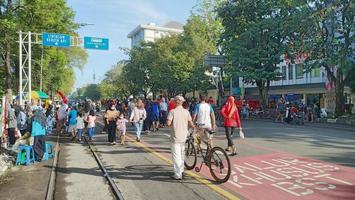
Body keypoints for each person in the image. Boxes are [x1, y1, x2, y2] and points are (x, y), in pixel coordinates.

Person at [167, 95, 194, 180]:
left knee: (176, 156)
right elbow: (191, 123)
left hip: (175, 136)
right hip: (184, 136)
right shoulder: (186, 112)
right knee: (182, 154)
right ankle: (181, 170)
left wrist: (173, 124)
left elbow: (168, 123)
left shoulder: (172, 112)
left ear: (176, 102)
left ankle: (178, 175)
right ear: (182, 102)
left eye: (174, 101)